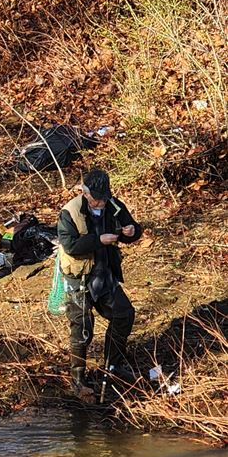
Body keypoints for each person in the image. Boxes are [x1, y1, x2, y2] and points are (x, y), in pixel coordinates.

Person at [57, 168, 143, 396]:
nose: (101, 203)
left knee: (124, 315)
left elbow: (133, 231)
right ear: (85, 193)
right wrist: (98, 240)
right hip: (79, 279)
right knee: (83, 329)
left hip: (105, 275)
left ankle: (114, 366)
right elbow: (71, 246)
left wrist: (131, 232)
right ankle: (77, 380)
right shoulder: (69, 212)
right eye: (97, 199)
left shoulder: (114, 205)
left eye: (104, 197)